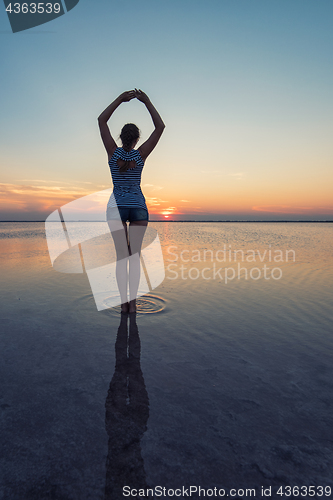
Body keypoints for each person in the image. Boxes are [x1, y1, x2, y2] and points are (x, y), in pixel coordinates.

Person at [98, 89, 165, 313]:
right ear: (136, 139)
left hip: (116, 208)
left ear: (120, 137)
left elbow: (101, 120)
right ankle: (134, 305)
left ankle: (123, 302)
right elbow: (160, 127)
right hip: (137, 208)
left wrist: (119, 99)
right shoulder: (140, 154)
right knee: (134, 257)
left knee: (121, 258)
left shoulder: (113, 153)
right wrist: (146, 100)